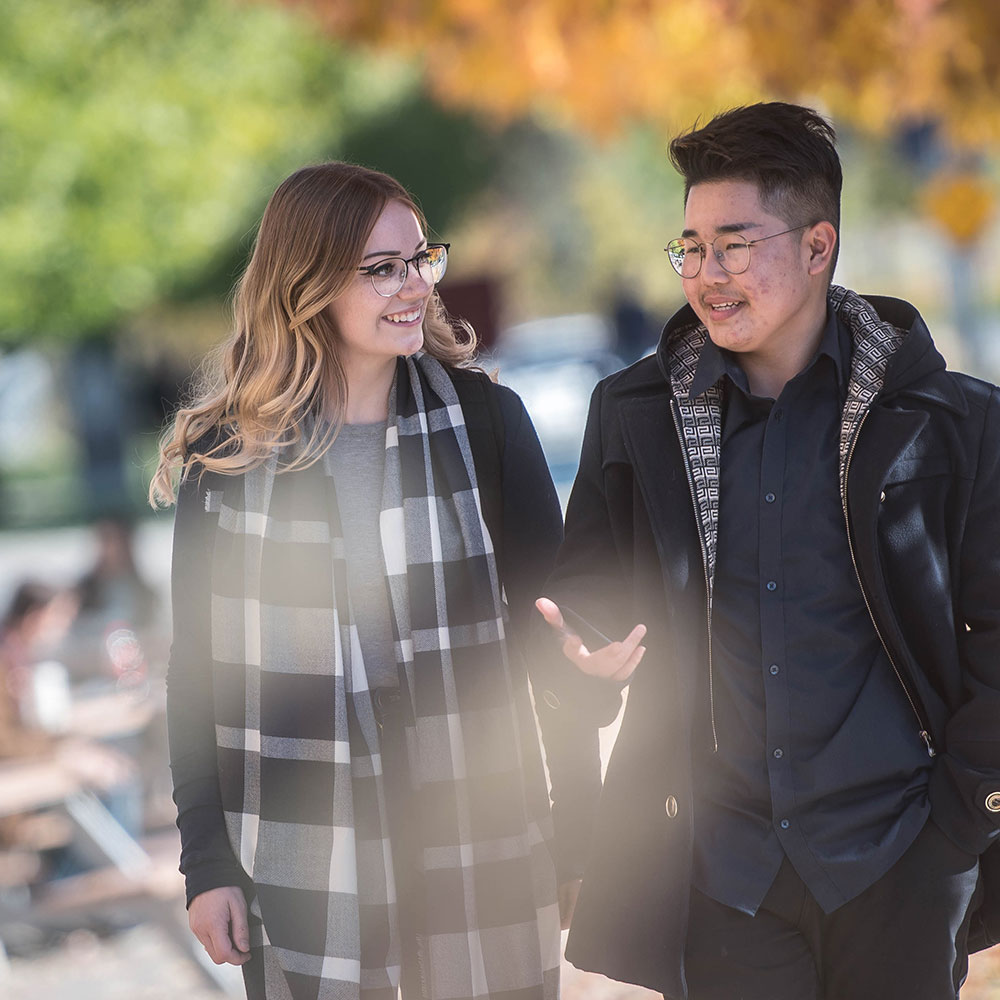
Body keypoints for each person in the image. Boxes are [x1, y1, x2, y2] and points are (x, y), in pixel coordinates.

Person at [536, 102, 1000, 1000]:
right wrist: (582, 668)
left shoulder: (955, 425)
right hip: (722, 875)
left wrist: (958, 828)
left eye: (735, 245)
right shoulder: (635, 418)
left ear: (818, 245)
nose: (706, 274)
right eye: (691, 247)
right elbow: (577, 613)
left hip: (901, 859)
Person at [150, 162, 589, 1000]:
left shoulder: (488, 425)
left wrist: (577, 827)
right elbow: (195, 674)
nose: (414, 286)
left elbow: (553, 638)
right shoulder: (227, 460)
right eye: (381, 268)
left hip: (478, 825)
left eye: (421, 260)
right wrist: (205, 860)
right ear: (307, 285)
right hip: (300, 843)